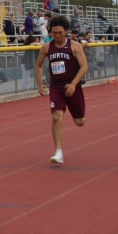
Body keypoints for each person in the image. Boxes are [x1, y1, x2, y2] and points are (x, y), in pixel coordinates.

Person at [35, 14, 88, 165]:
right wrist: (40, 84)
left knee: (80, 121)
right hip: (56, 87)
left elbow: (84, 66)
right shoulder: (46, 47)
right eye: (54, 33)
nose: (57, 36)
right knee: (56, 117)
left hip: (73, 87)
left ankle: (78, 113)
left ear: (66, 31)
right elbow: (38, 65)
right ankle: (58, 151)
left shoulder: (75, 46)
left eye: (60, 32)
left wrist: (73, 84)